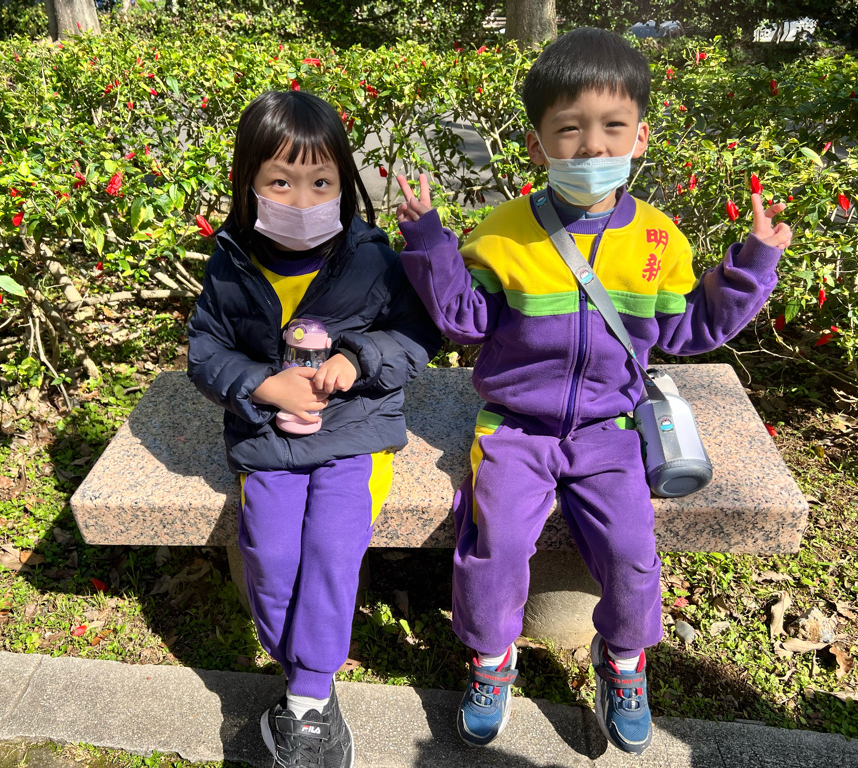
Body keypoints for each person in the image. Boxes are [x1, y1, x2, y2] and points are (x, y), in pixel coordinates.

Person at [395, 27, 791, 756]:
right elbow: (464, 321)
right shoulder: (504, 232)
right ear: (537, 144)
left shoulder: (659, 239)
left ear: (641, 137)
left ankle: (624, 660)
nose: (592, 146)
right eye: (569, 129)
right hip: (514, 427)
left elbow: (691, 329)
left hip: (610, 428)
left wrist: (752, 265)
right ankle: (490, 658)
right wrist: (429, 242)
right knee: (495, 543)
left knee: (633, 550)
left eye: (613, 127)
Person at [187, 90, 440, 768]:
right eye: (280, 182)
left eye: (321, 182)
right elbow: (205, 351)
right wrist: (260, 385)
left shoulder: (370, 258)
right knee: (270, 556)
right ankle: (299, 664)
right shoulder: (232, 261)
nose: (302, 200)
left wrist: (358, 361)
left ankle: (308, 696)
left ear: (344, 183)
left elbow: (417, 333)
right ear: (248, 183)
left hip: (352, 432)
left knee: (331, 547)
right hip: (267, 437)